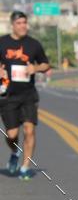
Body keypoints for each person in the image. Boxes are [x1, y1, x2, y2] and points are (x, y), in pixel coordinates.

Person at [0, 10, 50, 179]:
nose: (23, 26)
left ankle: (25, 167)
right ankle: (14, 152)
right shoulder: (2, 43)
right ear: (12, 25)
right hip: (8, 95)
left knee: (29, 131)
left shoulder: (33, 44)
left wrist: (34, 68)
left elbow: (45, 64)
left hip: (28, 94)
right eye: (19, 23)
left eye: (25, 23)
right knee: (12, 134)